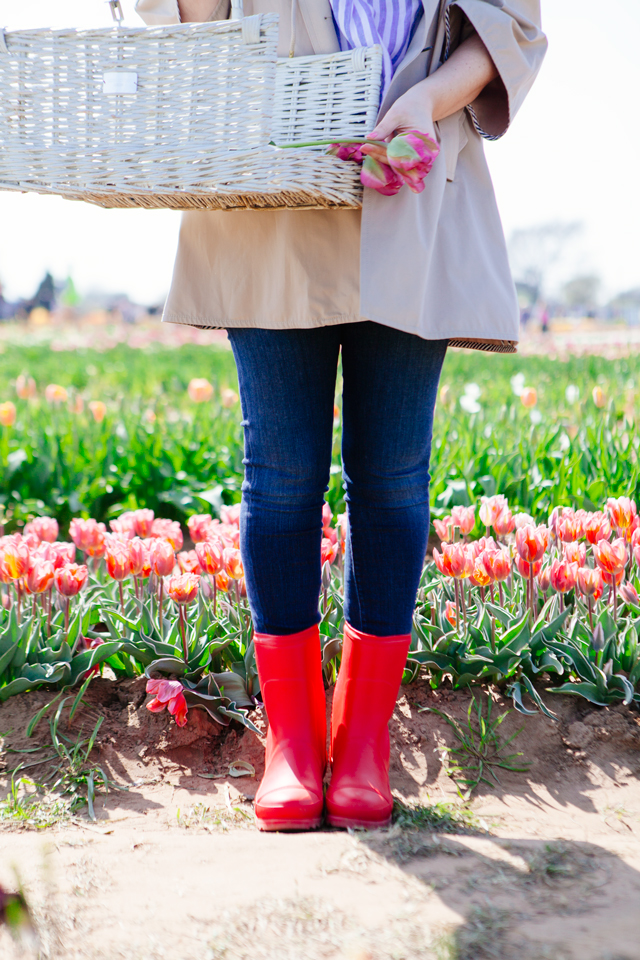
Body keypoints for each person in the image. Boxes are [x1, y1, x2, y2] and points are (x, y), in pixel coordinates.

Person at [136, 0, 547, 831]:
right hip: (273, 196)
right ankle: (293, 745)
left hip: (416, 182)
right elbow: (194, 21)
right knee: (282, 480)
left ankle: (361, 743)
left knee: (393, 481)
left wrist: (425, 101)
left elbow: (512, 27)